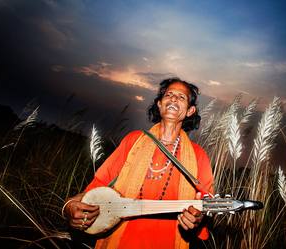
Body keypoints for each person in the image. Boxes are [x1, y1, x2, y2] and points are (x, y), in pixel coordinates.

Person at [62, 78, 214, 249]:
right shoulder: (133, 141)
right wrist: (69, 207)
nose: (173, 99)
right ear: (159, 103)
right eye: (169, 94)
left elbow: (206, 202)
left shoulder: (198, 155)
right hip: (119, 241)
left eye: (181, 97)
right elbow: (99, 184)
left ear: (190, 110)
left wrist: (198, 218)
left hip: (168, 242)